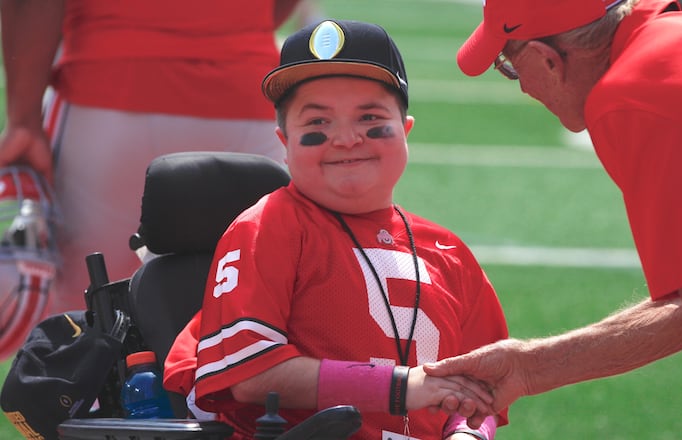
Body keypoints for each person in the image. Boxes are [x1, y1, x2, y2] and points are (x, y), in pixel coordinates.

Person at [423, 0, 682, 439]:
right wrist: (526, 368)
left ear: (546, 58)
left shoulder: (631, 98)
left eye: (508, 65)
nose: (520, 88)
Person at [163, 19, 509, 440]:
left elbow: (484, 386)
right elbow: (253, 374)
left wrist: (468, 433)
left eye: (369, 117)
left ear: (406, 131)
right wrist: (401, 388)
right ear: (284, 142)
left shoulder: (449, 251)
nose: (345, 138)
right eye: (317, 124)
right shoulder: (266, 227)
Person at [0, 0, 302, 319]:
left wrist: (24, 119)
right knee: (240, 317)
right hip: (246, 102)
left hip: (108, 95)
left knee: (82, 318)